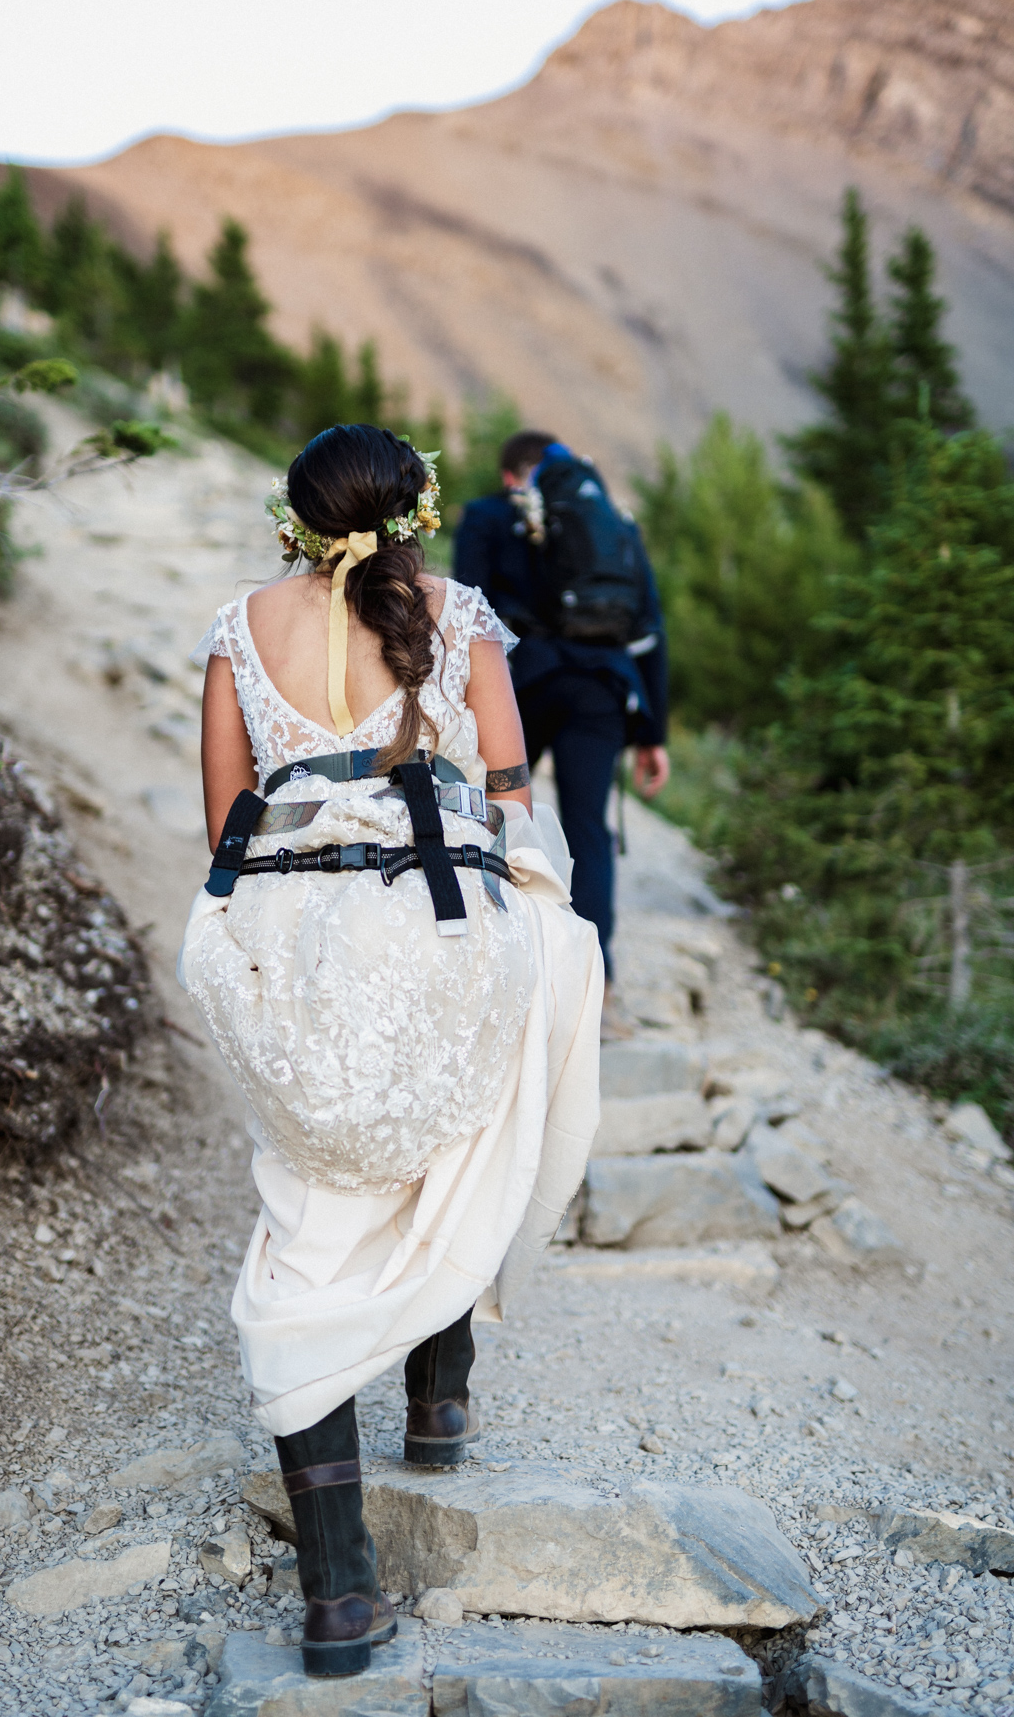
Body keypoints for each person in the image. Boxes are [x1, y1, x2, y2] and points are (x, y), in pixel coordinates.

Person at [178, 425, 602, 1679]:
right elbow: (516, 792)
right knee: (479, 1082)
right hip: (439, 922)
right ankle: (441, 1382)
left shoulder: (236, 629)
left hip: (293, 939)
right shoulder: (456, 614)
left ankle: (338, 1600)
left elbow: (224, 825)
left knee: (312, 1205)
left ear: (296, 517)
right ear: (414, 515)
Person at [453, 430, 670, 1037]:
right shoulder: (614, 523)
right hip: (602, 686)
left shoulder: (490, 516)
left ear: (508, 476)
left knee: (493, 814)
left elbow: (469, 611)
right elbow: (651, 629)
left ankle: (485, 973)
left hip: (522, 683)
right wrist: (654, 732)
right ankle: (597, 992)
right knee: (588, 832)